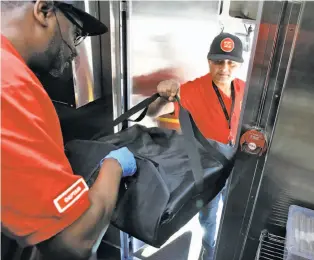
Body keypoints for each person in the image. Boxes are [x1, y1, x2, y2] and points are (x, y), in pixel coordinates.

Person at [1, 1, 137, 259]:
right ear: (43, 11)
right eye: (76, 34)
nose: (75, 50)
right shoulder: (10, 84)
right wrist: (115, 165)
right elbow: (74, 242)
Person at [147, 32, 246, 260]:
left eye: (231, 63)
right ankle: (209, 251)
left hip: (238, 165)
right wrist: (164, 94)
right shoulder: (191, 90)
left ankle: (226, 250)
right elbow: (153, 112)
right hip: (207, 168)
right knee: (209, 216)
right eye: (218, 61)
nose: (224, 68)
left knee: (233, 212)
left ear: (239, 65)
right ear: (209, 61)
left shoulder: (244, 89)